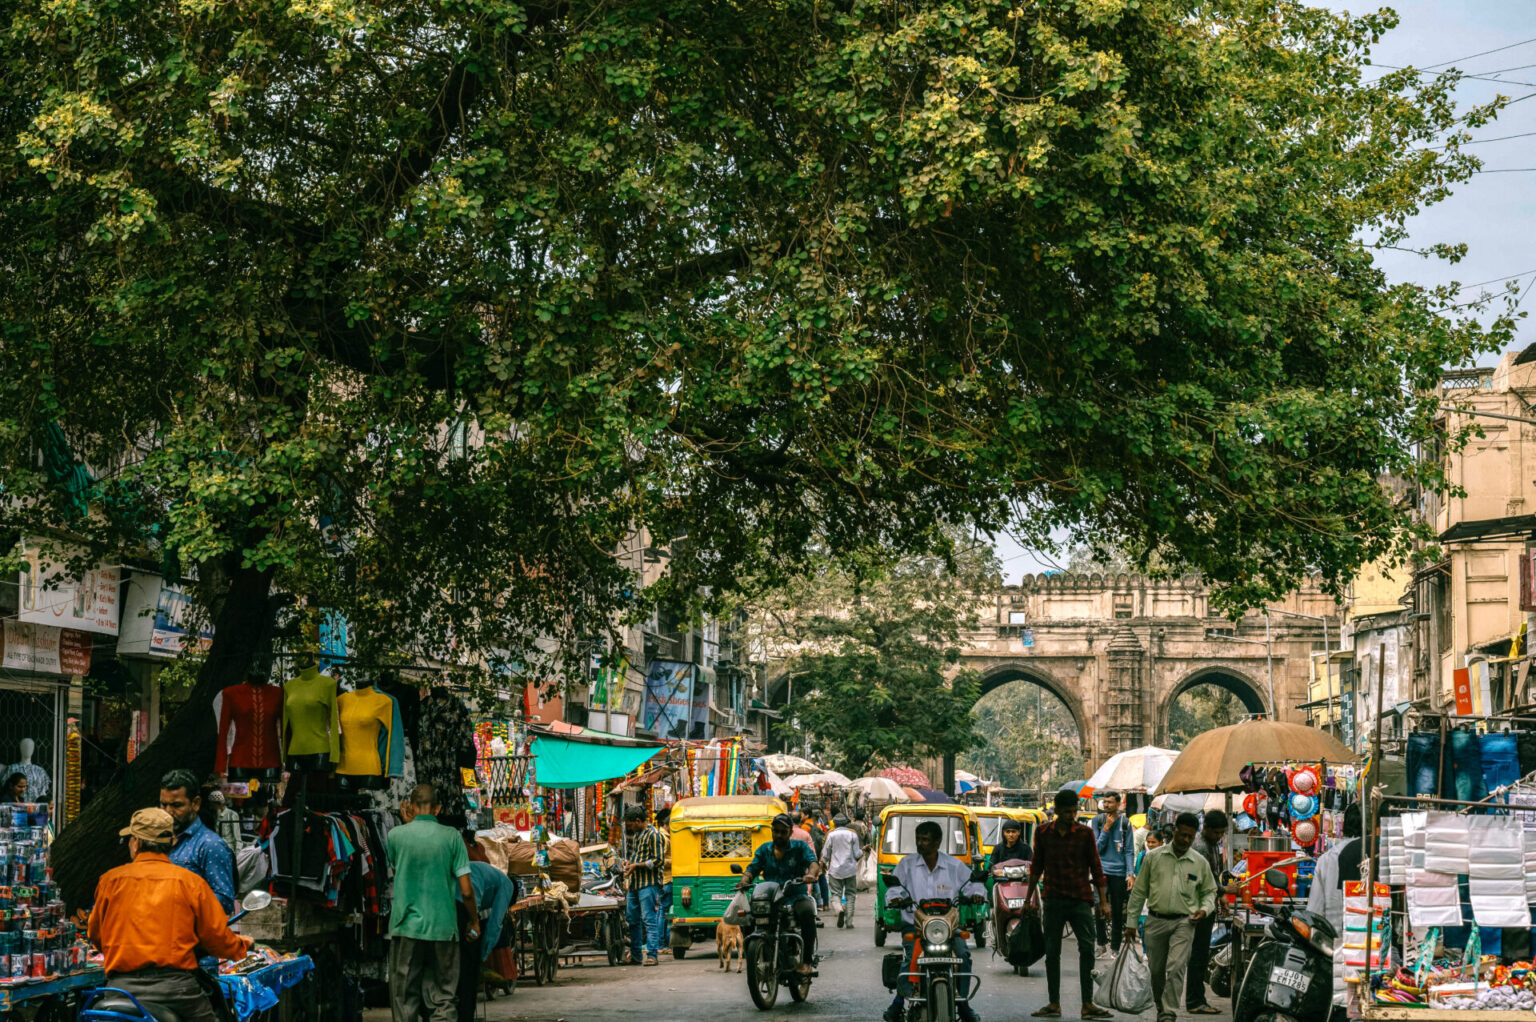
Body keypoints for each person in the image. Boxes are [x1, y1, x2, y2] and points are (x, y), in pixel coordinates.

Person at [88, 808, 253, 1021]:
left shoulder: (109, 881)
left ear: (135, 842)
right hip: (177, 992)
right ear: (171, 843)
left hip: (121, 991)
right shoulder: (191, 883)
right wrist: (242, 945)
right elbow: (216, 938)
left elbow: (96, 935)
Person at [387, 782, 479, 1022]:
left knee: (404, 996)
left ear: (409, 806)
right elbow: (467, 891)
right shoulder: (452, 837)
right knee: (443, 996)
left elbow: (402, 863)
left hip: (406, 927)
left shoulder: (395, 836)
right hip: (443, 928)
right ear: (438, 808)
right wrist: (474, 921)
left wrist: (409, 825)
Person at [881, 819, 986, 1022]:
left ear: (938, 842)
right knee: (911, 956)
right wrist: (896, 898)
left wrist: (977, 894)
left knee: (963, 954)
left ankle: (963, 1003)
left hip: (947, 927)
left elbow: (972, 883)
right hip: (916, 924)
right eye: (918, 839)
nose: (920, 843)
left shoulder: (954, 865)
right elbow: (895, 887)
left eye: (925, 839)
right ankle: (898, 1002)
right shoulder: (906, 865)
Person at [1026, 788, 1112, 1020]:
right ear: (1056, 811)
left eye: (1073, 811)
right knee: (1052, 952)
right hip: (1053, 899)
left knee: (1087, 948)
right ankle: (1054, 1003)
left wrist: (1103, 901)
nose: (1070, 815)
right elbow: (1036, 867)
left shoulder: (1085, 833)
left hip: (1080, 899)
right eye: (1066, 812)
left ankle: (1087, 1004)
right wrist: (1028, 899)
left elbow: (1096, 866)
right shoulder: (1043, 832)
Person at [1124, 813, 1217, 1022]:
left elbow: (1210, 891)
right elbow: (1139, 892)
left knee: (1176, 968)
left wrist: (1204, 908)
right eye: (1182, 834)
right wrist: (1131, 923)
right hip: (1155, 921)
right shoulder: (1153, 858)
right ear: (1174, 831)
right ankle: (1161, 1007)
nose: (1185, 840)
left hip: (1185, 922)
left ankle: (1168, 1014)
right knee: (1156, 971)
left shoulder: (1199, 862)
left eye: (1190, 837)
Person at [738, 813, 822, 975]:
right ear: (772, 831)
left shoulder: (799, 847)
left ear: (790, 832)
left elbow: (813, 862)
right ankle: (753, 955)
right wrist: (744, 880)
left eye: (783, 832)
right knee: (747, 916)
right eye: (776, 831)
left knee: (807, 912)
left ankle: (806, 961)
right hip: (770, 897)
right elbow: (752, 868)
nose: (779, 835)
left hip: (795, 895)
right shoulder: (764, 849)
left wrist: (811, 874)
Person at [1307, 804, 1363, 1018]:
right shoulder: (1376, 852)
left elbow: (1315, 912)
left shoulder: (1327, 858)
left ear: (1343, 826)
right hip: (1372, 944)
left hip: (1335, 947)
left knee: (1342, 1008)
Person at [456, 833, 517, 1022]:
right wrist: (483, 955)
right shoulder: (506, 886)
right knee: (468, 968)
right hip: (463, 906)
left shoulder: (493, 874)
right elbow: (495, 923)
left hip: (446, 901)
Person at [160, 768, 237, 914]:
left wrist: (180, 902)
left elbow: (224, 901)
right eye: (164, 805)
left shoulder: (210, 845)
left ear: (195, 803)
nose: (168, 812)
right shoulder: (159, 839)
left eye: (176, 805)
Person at [1185, 809, 1229, 1015]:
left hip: (1207, 904)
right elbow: (1206, 878)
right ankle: (1194, 1000)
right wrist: (1224, 891)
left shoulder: (1212, 845)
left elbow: (1215, 875)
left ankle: (1197, 999)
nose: (1219, 837)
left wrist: (1220, 896)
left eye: (1222, 833)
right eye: (1217, 832)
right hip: (1199, 907)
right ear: (1206, 828)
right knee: (1198, 955)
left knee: (1200, 955)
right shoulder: (1200, 846)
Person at [1092, 792, 1135, 956]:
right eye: (1105, 802)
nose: (1107, 805)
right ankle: (1101, 944)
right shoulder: (1097, 821)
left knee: (1118, 911)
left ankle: (1115, 947)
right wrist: (1106, 829)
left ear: (1118, 804)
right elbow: (1096, 849)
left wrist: (1130, 873)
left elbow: (1129, 850)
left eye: (1110, 802)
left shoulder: (1125, 823)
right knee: (1099, 908)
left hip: (1119, 873)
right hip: (1101, 871)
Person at [623, 803, 667, 965]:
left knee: (649, 920)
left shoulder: (654, 835)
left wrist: (636, 866)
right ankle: (636, 955)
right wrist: (629, 863)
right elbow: (638, 857)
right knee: (632, 920)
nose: (630, 828)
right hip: (634, 885)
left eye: (630, 824)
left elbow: (658, 860)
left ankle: (652, 955)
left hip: (648, 885)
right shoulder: (638, 836)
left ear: (638, 820)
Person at [821, 813, 863, 928]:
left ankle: (839, 909)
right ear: (846, 822)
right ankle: (849, 922)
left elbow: (825, 854)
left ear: (834, 823)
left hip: (835, 870)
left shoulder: (831, 835)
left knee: (835, 894)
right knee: (850, 895)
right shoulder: (852, 835)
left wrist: (823, 863)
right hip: (850, 869)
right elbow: (857, 854)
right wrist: (862, 852)